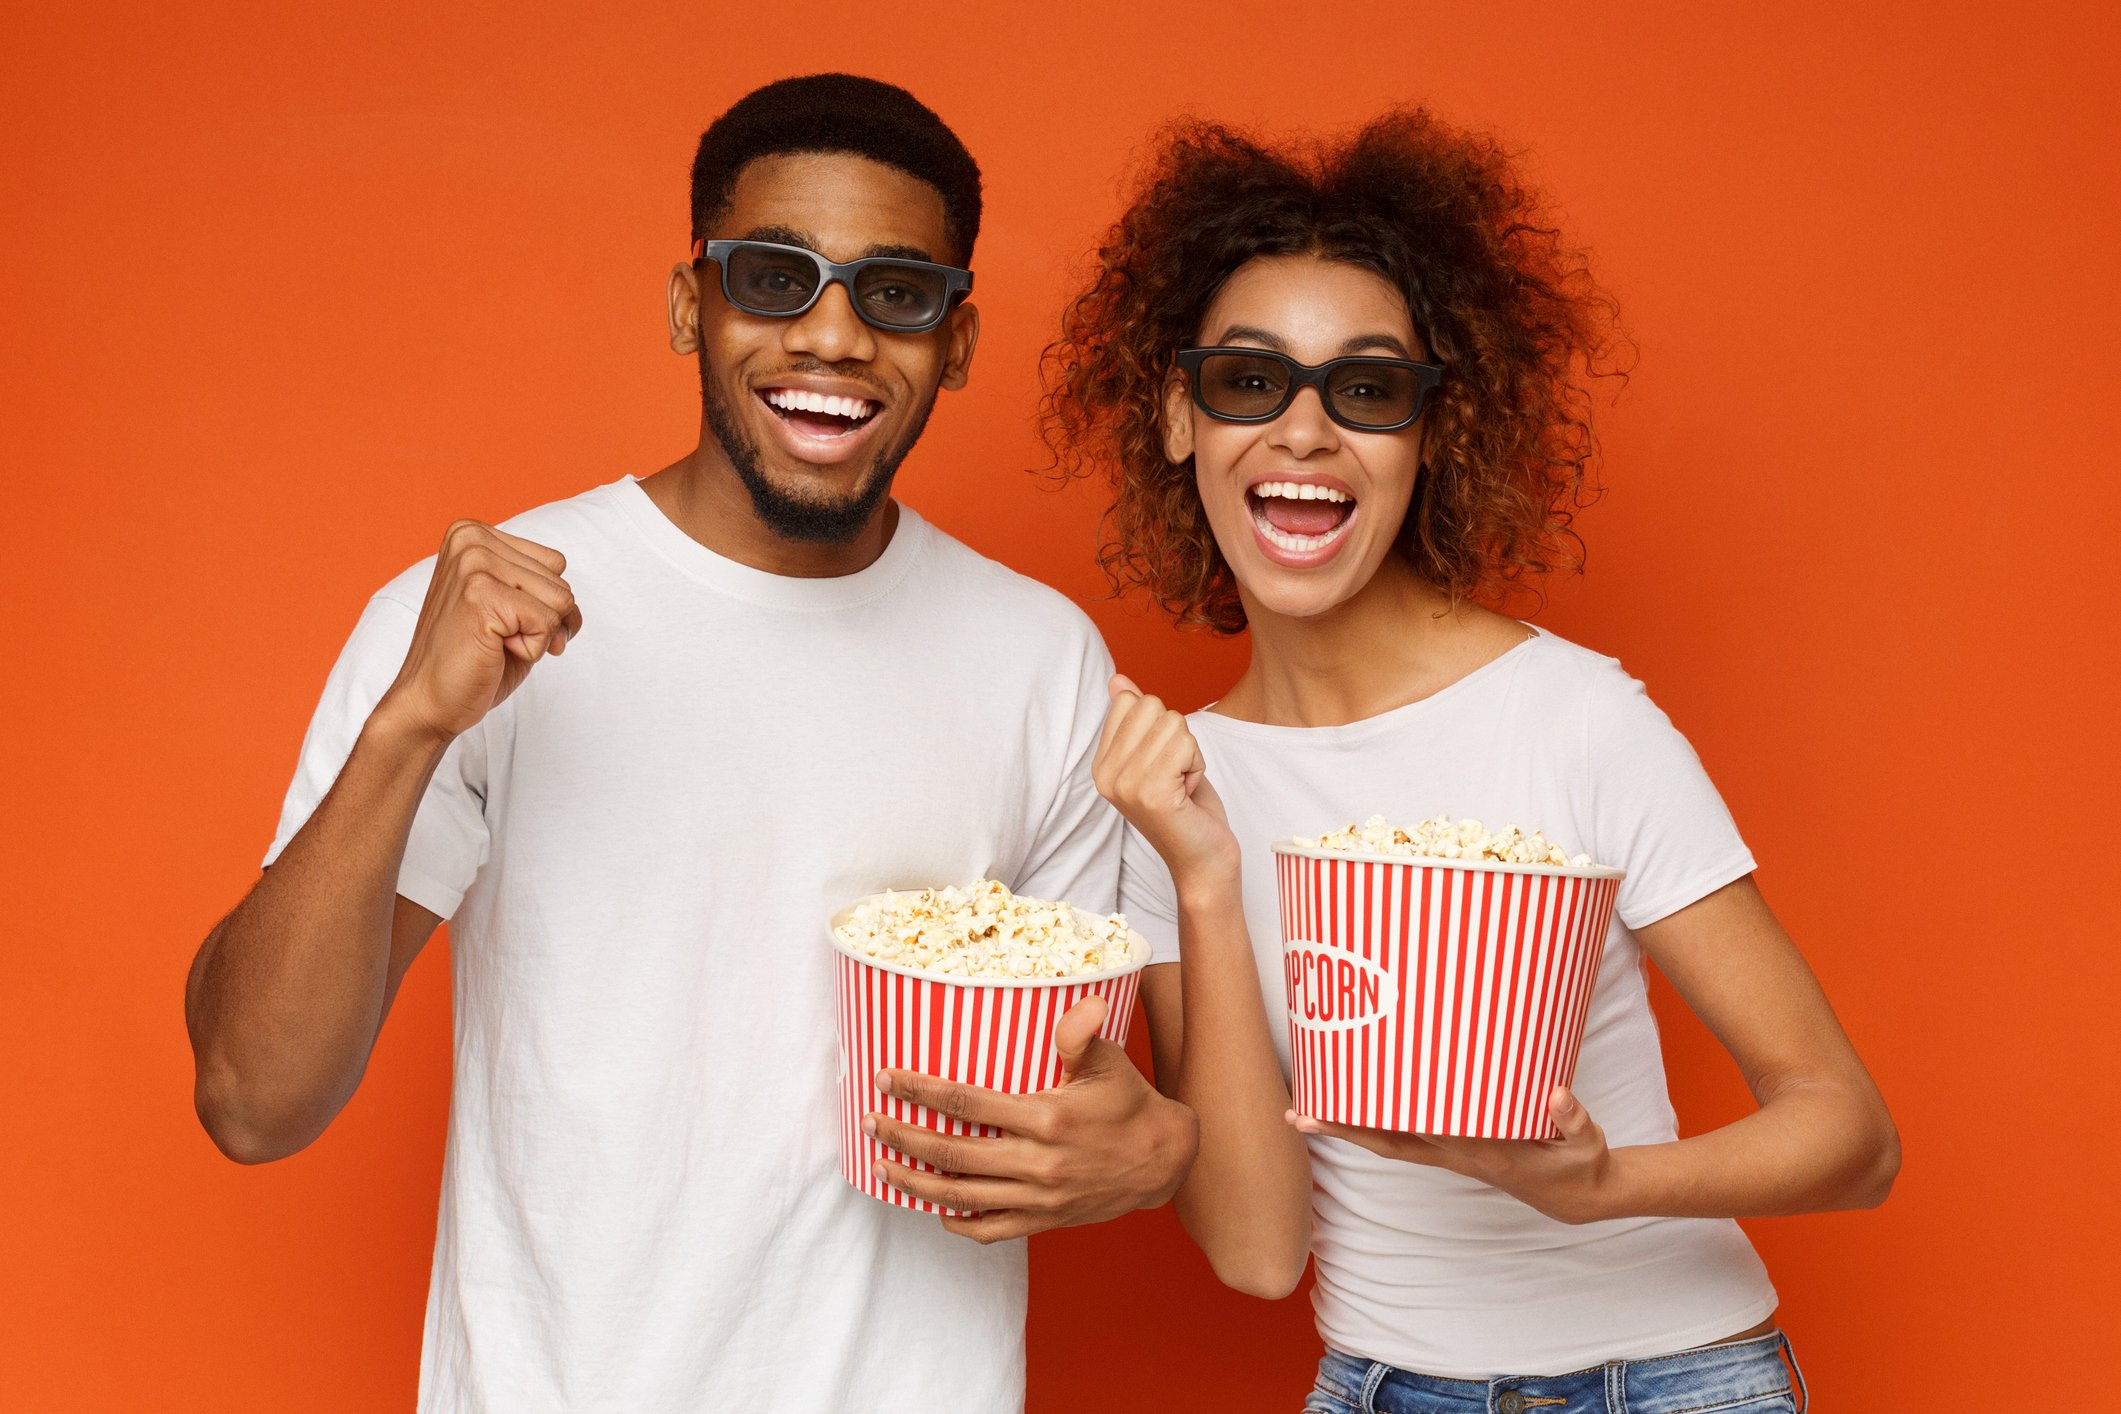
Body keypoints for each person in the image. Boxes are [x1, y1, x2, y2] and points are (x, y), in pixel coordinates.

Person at [184, 73, 1194, 1414]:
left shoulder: (1038, 657)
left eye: (894, 292)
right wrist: (409, 724)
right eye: (773, 277)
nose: (832, 336)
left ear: (953, 340)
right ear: (688, 307)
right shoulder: (479, 619)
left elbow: (1074, 1084)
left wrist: (1147, 1148)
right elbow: (255, 1101)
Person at [1044, 111, 1900, 1411]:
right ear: (1178, 414)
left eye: (1368, 388)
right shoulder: (1168, 791)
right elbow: (1260, 1253)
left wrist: (1597, 1185)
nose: (1304, 429)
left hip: (1671, 1381)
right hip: (1385, 1384)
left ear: (1429, 434)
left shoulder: (1569, 717)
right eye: (1247, 379)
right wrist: (1204, 872)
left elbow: (1852, 1135)